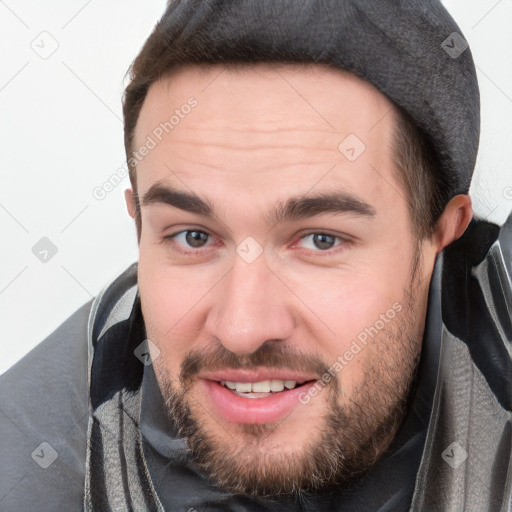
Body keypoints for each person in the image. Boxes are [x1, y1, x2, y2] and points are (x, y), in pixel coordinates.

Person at [1, 1, 511, 510]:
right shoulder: (52, 433)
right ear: (139, 224)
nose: (241, 329)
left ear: (441, 232)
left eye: (320, 240)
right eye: (193, 237)